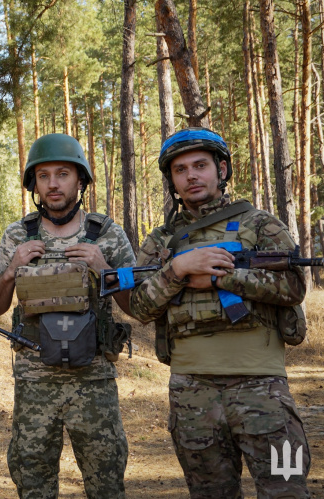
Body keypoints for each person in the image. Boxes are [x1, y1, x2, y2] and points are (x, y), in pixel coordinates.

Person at [129, 127, 310, 498]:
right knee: (210, 493)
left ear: (222, 170)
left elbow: (295, 287)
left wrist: (221, 278)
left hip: (265, 390)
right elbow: (140, 307)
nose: (191, 175)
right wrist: (177, 271)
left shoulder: (260, 224)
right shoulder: (160, 241)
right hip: (191, 391)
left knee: (288, 487)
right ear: (172, 181)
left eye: (200, 165)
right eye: (180, 170)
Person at [0, 133, 134, 499]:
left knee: (107, 480)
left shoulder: (107, 233)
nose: (53, 183)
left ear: (80, 180)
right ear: (33, 183)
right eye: (44, 175)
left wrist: (104, 268)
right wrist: (11, 270)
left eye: (63, 174)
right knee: (32, 481)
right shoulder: (18, 234)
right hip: (35, 383)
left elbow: (137, 304)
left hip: (94, 382)